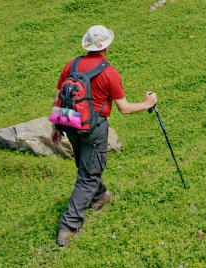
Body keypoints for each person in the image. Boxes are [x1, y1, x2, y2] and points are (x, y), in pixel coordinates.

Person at [51, 25, 157, 247]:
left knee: (86, 165)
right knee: (88, 174)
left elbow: (59, 96)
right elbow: (124, 108)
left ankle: (99, 197)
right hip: (93, 127)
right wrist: (148, 104)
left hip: (70, 122)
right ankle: (69, 227)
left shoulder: (72, 65)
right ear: (106, 46)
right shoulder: (109, 72)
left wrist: (56, 127)